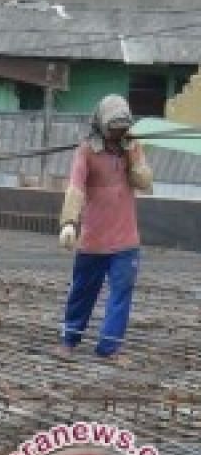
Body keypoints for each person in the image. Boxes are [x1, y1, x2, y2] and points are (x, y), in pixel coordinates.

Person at [57, 94, 153, 363]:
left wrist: (134, 156)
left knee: (121, 293)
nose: (118, 133)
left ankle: (109, 347)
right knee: (83, 290)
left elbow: (144, 181)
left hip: (125, 239)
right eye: (114, 127)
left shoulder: (132, 148)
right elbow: (75, 187)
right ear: (102, 125)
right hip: (94, 239)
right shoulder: (87, 150)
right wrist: (68, 223)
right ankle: (69, 338)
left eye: (122, 127)